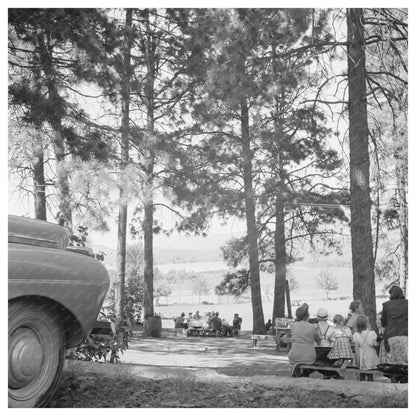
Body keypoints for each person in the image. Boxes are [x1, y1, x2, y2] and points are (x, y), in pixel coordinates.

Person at [378, 285, 408, 366]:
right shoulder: (408, 303)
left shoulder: (386, 304)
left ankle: (393, 378)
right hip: (406, 335)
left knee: (391, 365)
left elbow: (383, 322)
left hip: (390, 335)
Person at [288, 303, 322, 372]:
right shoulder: (313, 327)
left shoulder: (293, 326)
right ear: (308, 316)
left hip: (294, 357)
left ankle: (297, 371)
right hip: (309, 358)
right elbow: (319, 340)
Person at [353, 315, 379, 381]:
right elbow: (375, 344)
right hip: (370, 355)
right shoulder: (372, 333)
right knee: (370, 374)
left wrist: (357, 359)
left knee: (362, 373)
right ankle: (370, 386)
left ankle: (362, 387)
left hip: (361, 355)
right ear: (367, 324)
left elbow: (356, 349)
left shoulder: (356, 335)